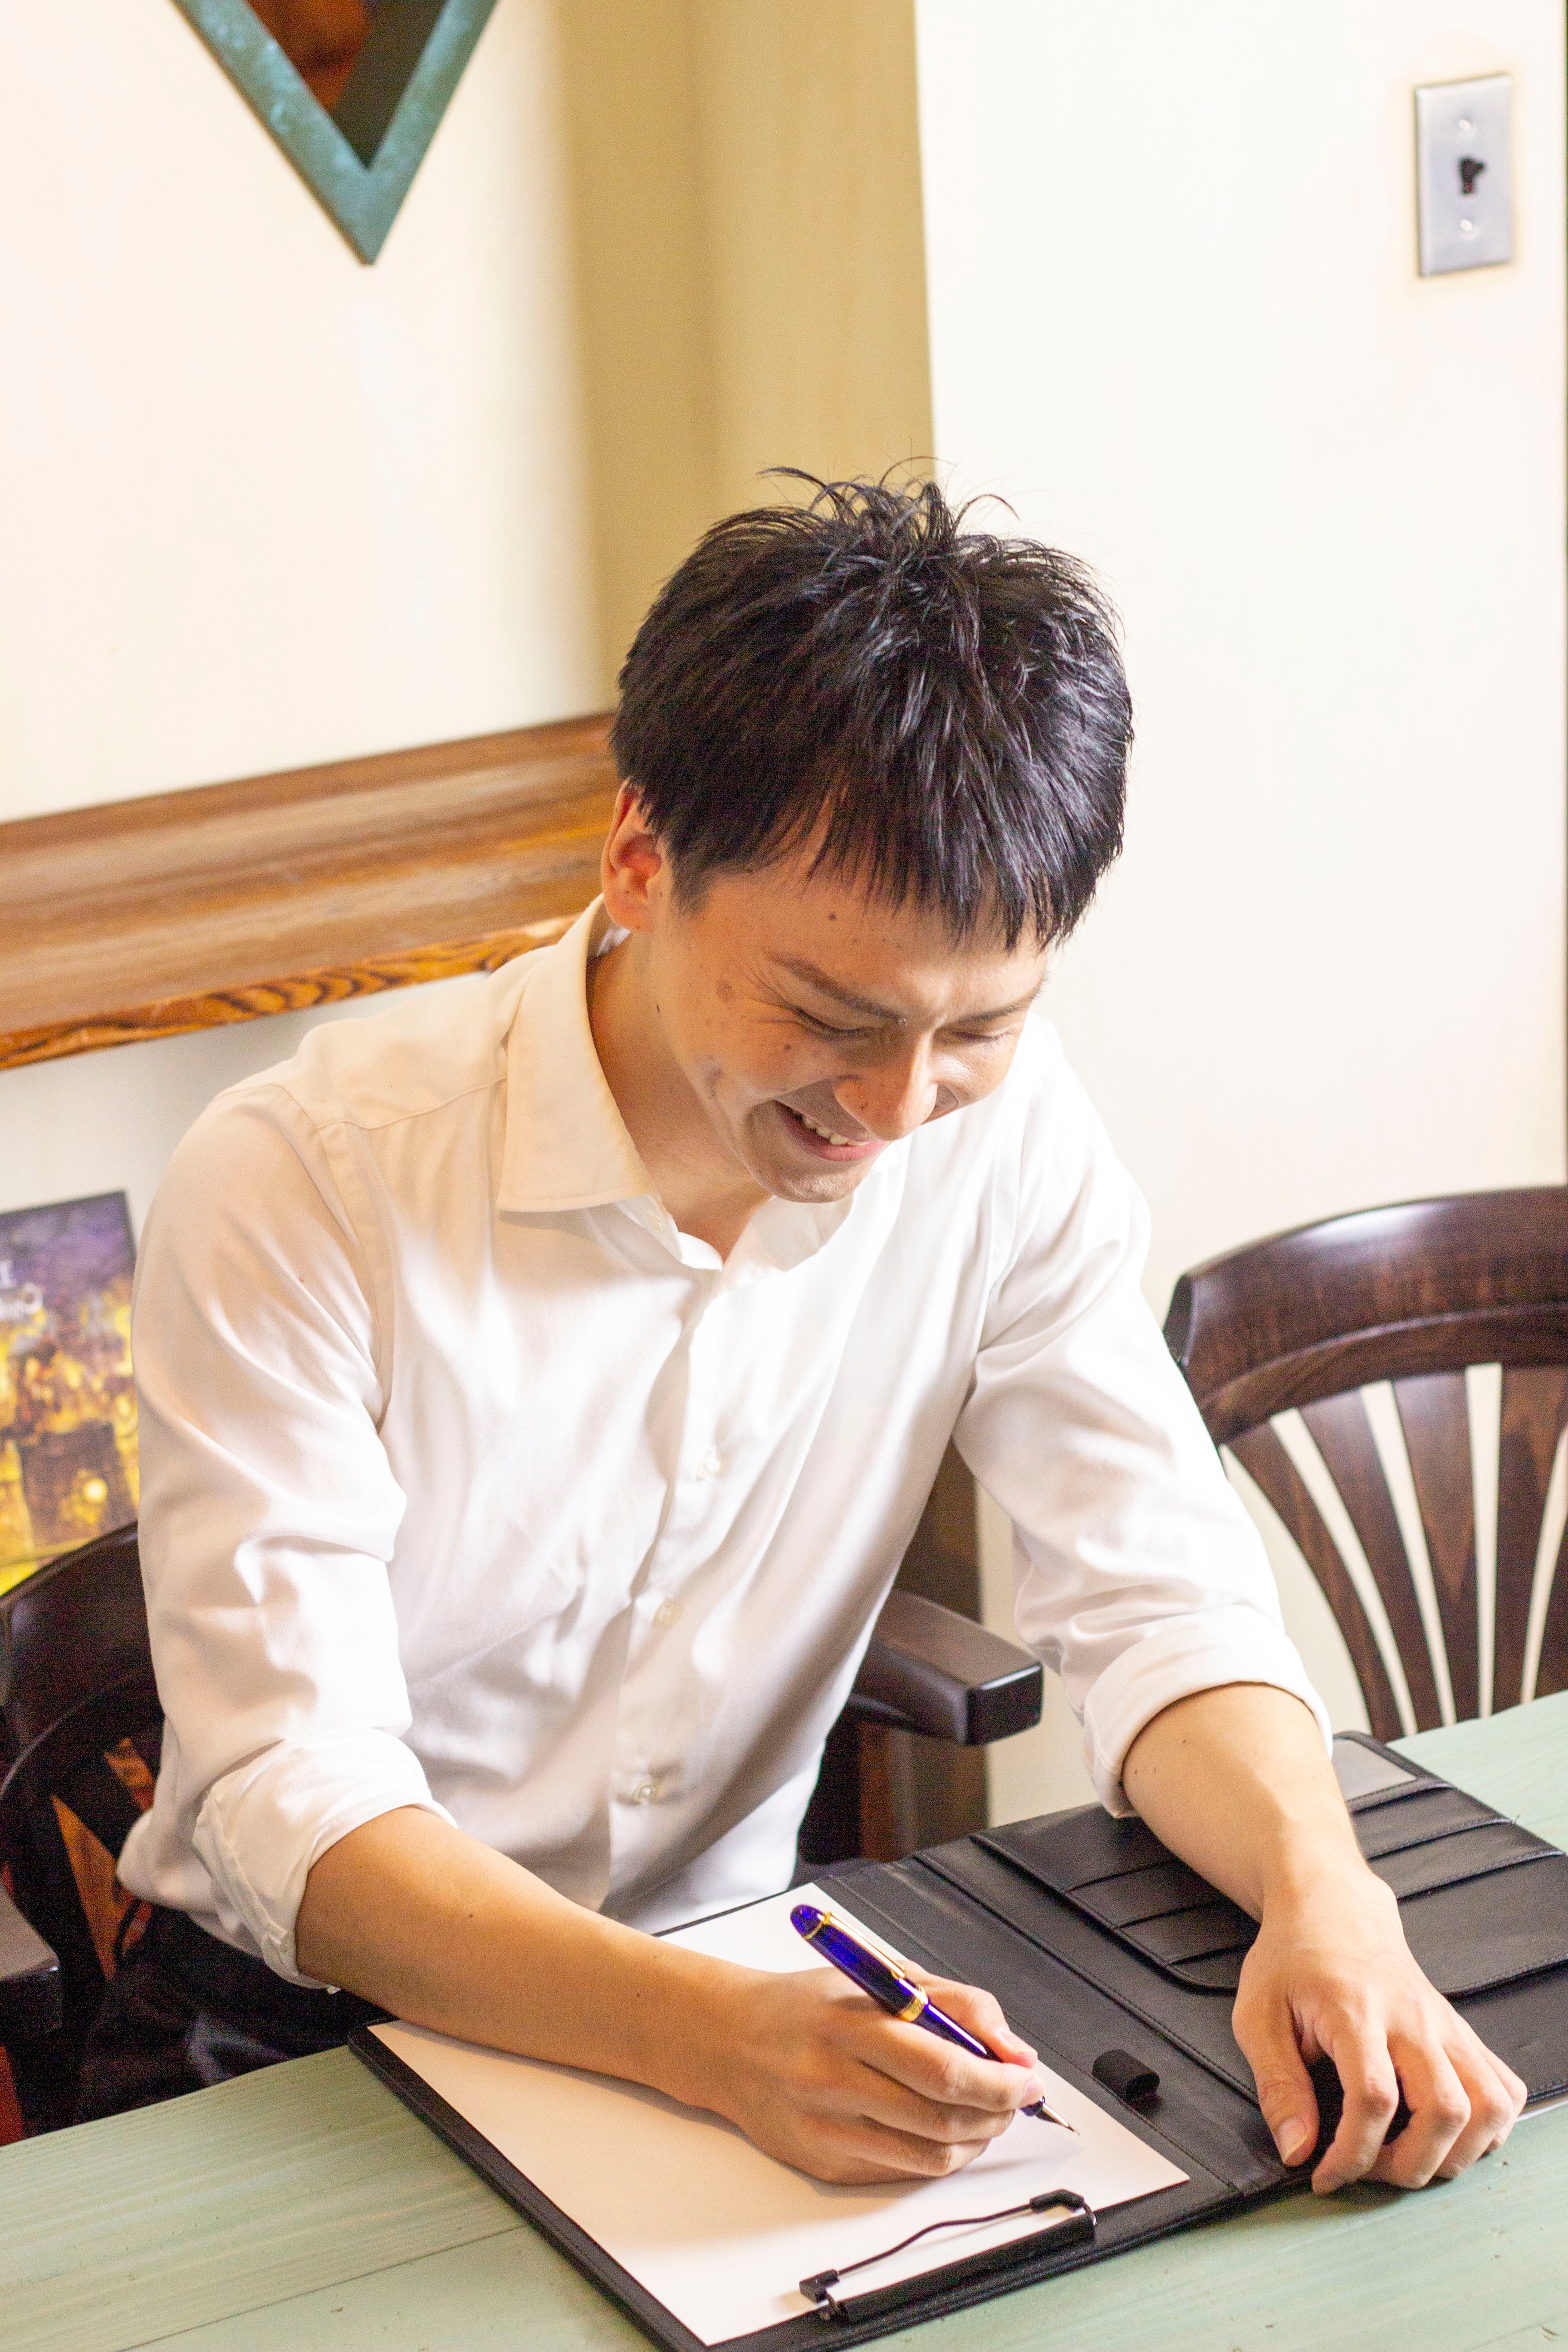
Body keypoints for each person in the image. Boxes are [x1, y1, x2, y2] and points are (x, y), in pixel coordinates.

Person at [91, 479, 1524, 2192]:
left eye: (979, 1026)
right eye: (829, 1016)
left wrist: (1323, 1889)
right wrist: (705, 2036)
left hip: (748, 1980)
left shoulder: (1004, 1134)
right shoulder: (305, 1181)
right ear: (640, 857)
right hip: (309, 2034)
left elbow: (1156, 1596)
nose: (898, 1107)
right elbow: (288, 1793)